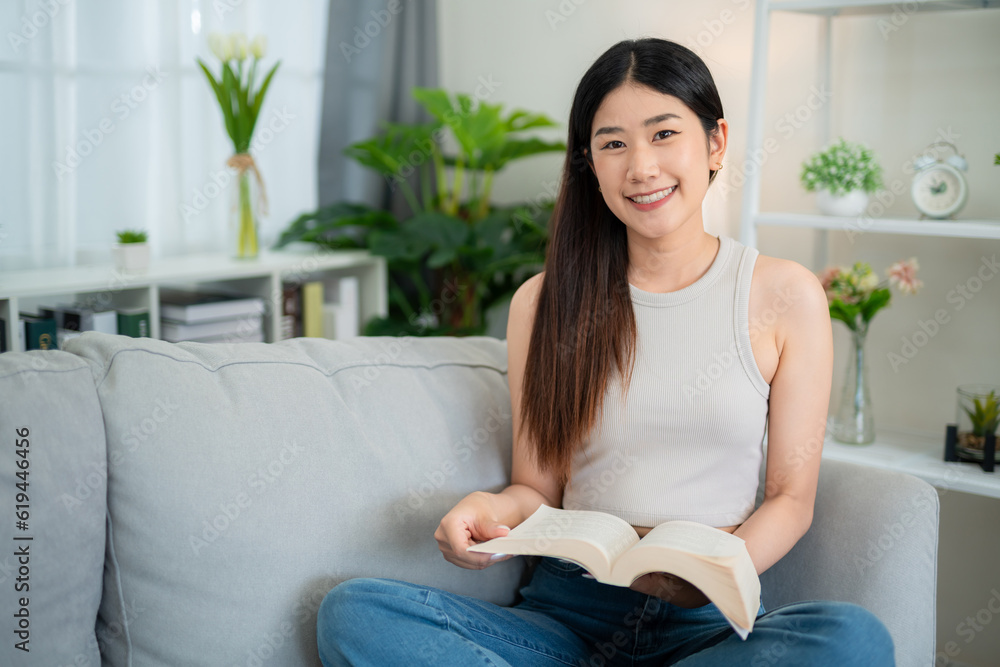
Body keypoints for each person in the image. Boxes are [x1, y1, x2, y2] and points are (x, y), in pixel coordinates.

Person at [316, 37, 895, 666]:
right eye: (613, 143)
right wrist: (490, 508)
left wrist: (714, 569)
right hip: (565, 617)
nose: (640, 168)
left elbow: (790, 497)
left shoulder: (786, 295)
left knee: (850, 639)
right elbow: (534, 489)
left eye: (663, 133)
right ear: (588, 163)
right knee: (356, 612)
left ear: (716, 143)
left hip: (703, 624)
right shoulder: (542, 303)